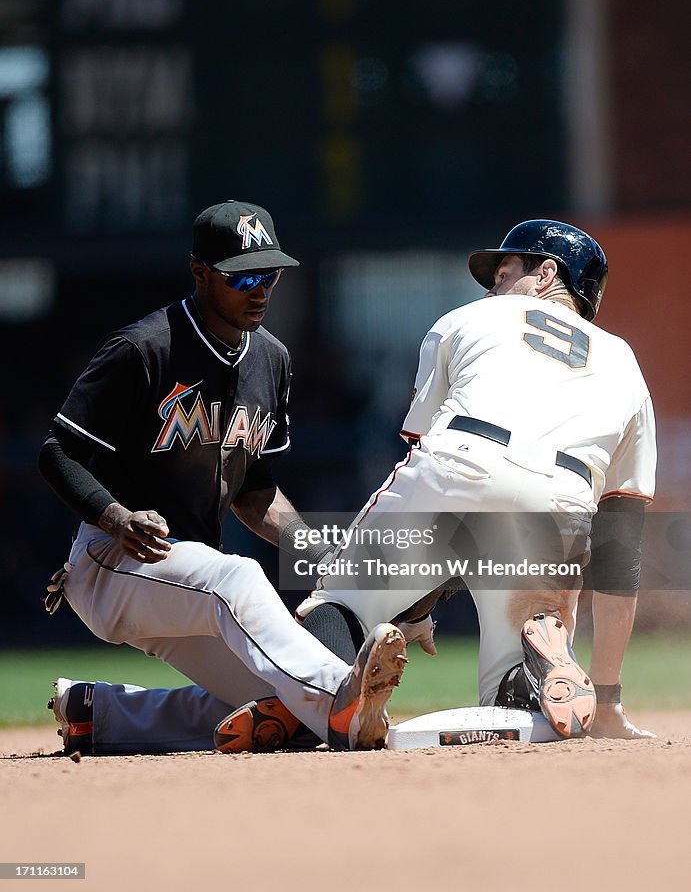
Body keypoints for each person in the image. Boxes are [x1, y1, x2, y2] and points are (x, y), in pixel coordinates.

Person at [226, 218, 655, 746]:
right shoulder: (624, 361)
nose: (492, 287)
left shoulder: (468, 319)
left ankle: (323, 697)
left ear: (546, 274)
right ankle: (538, 668)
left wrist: (417, 599)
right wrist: (610, 694)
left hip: (463, 458)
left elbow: (435, 465)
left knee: (339, 603)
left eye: (503, 273)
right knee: (515, 706)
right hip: (563, 499)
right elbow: (621, 547)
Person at [39, 200, 407, 755]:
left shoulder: (272, 360)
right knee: (238, 579)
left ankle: (99, 714)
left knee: (286, 705)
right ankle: (340, 694)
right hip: (114, 564)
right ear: (200, 274)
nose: (260, 289)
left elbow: (254, 491)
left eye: (272, 274)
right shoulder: (144, 349)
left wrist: (306, 544)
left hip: (190, 578)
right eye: (244, 276)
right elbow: (57, 452)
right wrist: (115, 516)